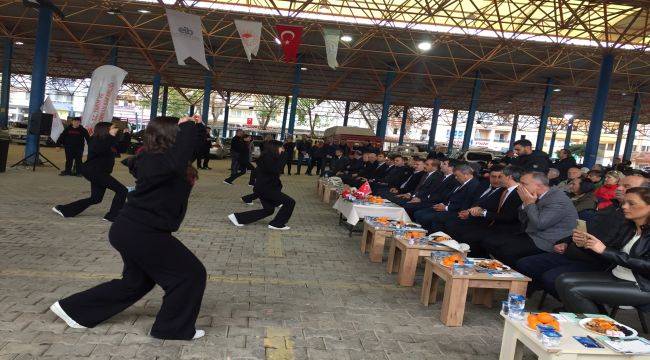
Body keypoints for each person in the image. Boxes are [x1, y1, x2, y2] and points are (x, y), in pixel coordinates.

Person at [50, 116, 207, 340]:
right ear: (172, 134)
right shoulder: (155, 160)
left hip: (135, 230)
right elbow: (180, 157)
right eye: (180, 131)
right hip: (142, 232)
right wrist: (189, 126)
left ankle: (73, 309)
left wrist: (197, 126)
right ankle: (171, 329)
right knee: (190, 274)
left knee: (137, 282)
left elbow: (191, 150)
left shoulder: (163, 159)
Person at [516, 175, 649, 300]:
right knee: (526, 264)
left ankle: (579, 306)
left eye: (627, 186)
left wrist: (601, 249)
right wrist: (566, 241)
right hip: (579, 252)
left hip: (600, 262)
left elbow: (615, 249)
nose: (619, 188)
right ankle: (568, 301)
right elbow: (585, 230)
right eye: (619, 184)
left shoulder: (631, 220)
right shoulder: (611, 208)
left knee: (552, 278)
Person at [555, 187, 650, 313]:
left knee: (574, 290)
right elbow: (607, 253)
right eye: (624, 203)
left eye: (631, 203)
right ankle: (601, 322)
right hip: (617, 275)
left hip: (642, 286)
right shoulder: (629, 227)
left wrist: (604, 250)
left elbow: (646, 265)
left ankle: (598, 327)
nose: (624, 207)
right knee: (562, 280)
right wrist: (585, 244)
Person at [483, 171, 578, 267]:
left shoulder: (557, 199)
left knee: (506, 250)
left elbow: (540, 224)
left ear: (539, 186)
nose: (519, 187)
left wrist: (529, 203)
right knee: (490, 241)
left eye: (524, 184)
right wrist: (526, 203)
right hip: (532, 233)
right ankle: (504, 273)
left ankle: (516, 277)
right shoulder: (534, 195)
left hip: (549, 240)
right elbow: (523, 219)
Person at [53, 122, 127, 222]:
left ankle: (64, 210)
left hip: (101, 172)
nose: (116, 129)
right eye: (114, 128)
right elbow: (100, 149)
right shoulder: (97, 140)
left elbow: (121, 149)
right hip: (94, 171)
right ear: (105, 130)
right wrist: (111, 138)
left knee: (96, 198)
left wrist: (126, 135)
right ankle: (112, 216)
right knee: (122, 190)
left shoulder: (109, 140)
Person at [229, 141, 295, 230]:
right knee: (290, 202)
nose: (283, 150)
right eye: (281, 148)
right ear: (274, 148)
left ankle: (237, 218)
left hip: (266, 188)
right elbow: (276, 170)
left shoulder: (270, 157)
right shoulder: (267, 158)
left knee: (268, 210)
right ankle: (277, 224)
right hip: (266, 188)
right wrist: (284, 157)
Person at [414, 163, 480, 233]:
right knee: (419, 213)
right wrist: (442, 204)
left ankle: (429, 236)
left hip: (455, 211)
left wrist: (446, 208)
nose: (456, 178)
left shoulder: (473, 185)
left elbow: (465, 204)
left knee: (427, 217)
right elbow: (449, 197)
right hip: (447, 206)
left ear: (465, 175)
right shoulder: (460, 183)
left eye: (457, 176)